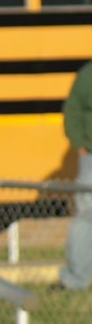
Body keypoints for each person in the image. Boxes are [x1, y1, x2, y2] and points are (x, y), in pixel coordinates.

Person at [58, 58, 92, 291]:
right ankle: (77, 279)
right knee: (86, 217)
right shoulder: (88, 74)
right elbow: (73, 109)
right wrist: (81, 146)